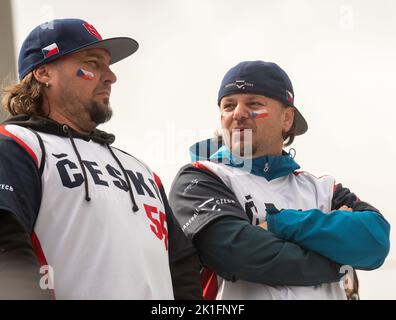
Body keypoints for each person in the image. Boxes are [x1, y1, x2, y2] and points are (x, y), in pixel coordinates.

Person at [0, 18, 191, 299]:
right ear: (43, 73)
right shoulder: (16, 145)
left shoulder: (141, 169)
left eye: (109, 66)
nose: (111, 76)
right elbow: (6, 245)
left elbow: (182, 264)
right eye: (92, 64)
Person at [169, 60, 390, 300]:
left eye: (254, 103)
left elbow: (375, 242)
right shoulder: (200, 176)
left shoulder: (323, 188)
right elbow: (237, 254)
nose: (238, 114)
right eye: (228, 105)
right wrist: (338, 262)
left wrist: (279, 223)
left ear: (287, 119)